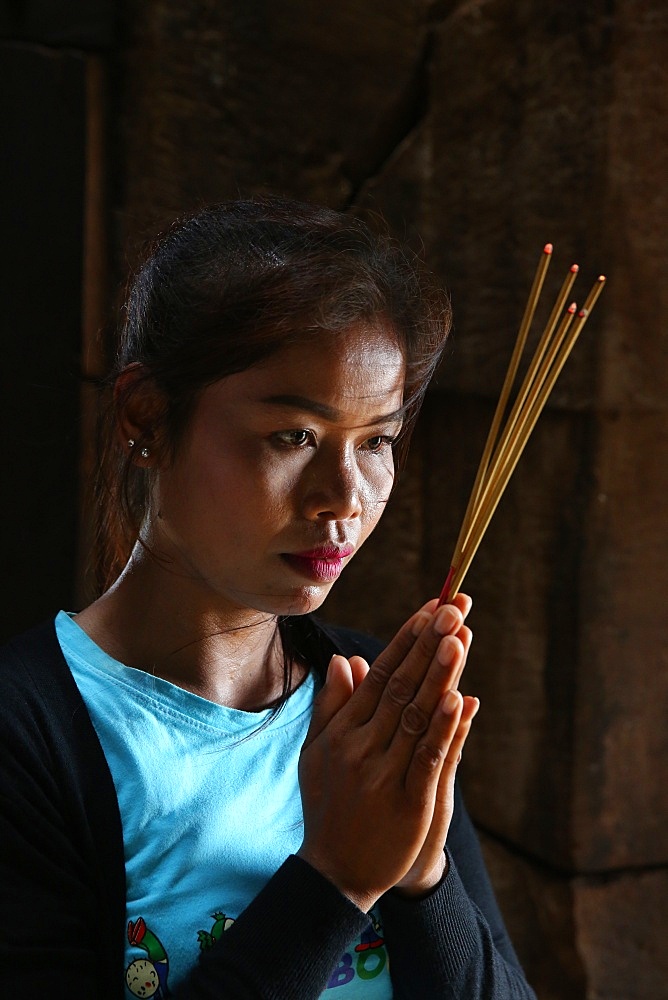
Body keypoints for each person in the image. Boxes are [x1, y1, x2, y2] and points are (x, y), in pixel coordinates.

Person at [0, 197, 536, 999]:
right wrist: (335, 881)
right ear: (145, 416)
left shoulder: (368, 697)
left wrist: (425, 876)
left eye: (377, 441)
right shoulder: (28, 734)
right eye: (294, 436)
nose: (344, 497)